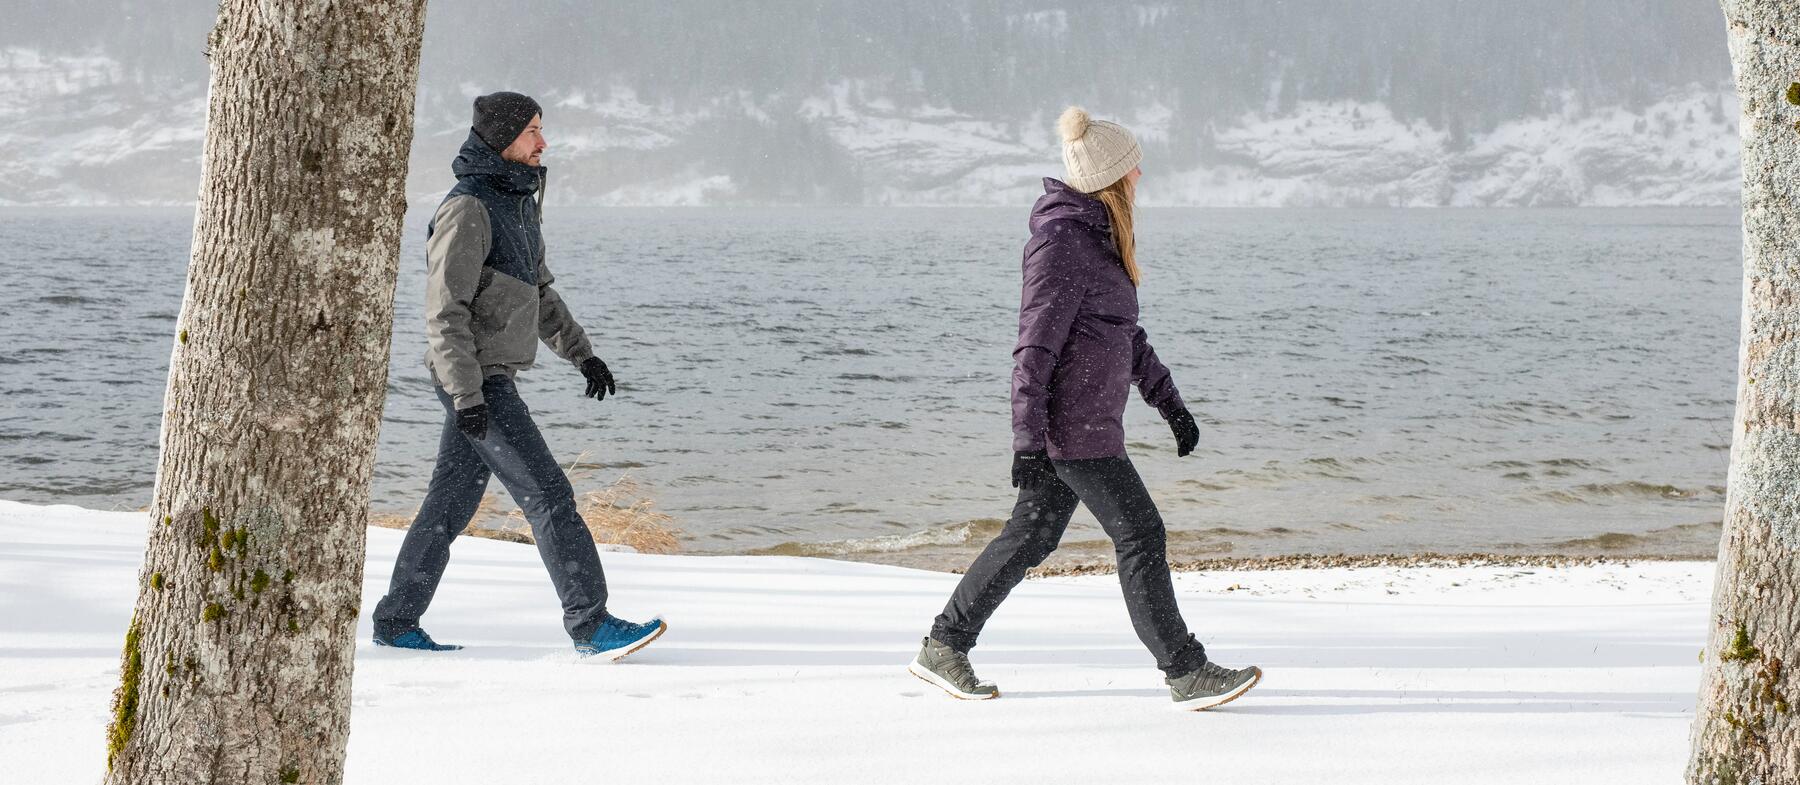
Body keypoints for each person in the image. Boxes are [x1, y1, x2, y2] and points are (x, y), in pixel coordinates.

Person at [909, 107, 1261, 710]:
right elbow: (1034, 347)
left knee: (1032, 536)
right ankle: (1185, 670)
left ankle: (944, 645)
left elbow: (1125, 335)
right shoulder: (1061, 242)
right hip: (1072, 430)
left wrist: (1169, 403)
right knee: (1141, 532)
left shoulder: (1097, 239)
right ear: (1110, 178)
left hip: (1087, 425)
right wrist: (1026, 439)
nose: (1141, 175)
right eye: (1132, 167)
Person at [370, 91, 665, 660]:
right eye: (533, 131)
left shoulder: (518, 201)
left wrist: (584, 355)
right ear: (504, 138)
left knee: (448, 506)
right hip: (476, 380)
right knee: (550, 494)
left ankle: (396, 621)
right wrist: (467, 395)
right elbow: (445, 311)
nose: (543, 142)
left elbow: (539, 293)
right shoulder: (469, 208)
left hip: (488, 376)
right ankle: (591, 625)